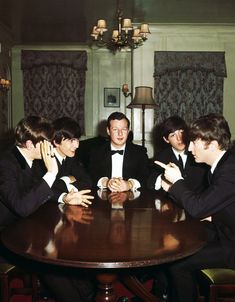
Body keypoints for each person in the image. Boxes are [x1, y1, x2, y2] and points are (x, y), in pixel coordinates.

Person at [155, 114, 235, 302]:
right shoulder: (221, 166)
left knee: (177, 263)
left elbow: (198, 208)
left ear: (213, 145)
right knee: (175, 243)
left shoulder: (230, 171)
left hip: (232, 243)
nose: (189, 148)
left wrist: (177, 182)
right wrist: (213, 217)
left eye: (194, 143)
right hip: (224, 230)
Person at [0, 116, 58, 227]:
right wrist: (51, 173)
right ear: (30, 145)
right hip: (6, 230)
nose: (53, 148)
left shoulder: (34, 160)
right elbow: (21, 208)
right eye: (48, 143)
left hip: (25, 223)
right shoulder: (5, 164)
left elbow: (41, 187)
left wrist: (65, 197)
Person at [88, 111, 150, 192]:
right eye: (115, 129)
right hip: (103, 198)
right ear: (108, 131)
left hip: (132, 199)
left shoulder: (140, 152)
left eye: (124, 129)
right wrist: (106, 182)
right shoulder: (96, 152)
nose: (120, 134)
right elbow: (90, 176)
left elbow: (146, 177)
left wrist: (129, 184)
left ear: (128, 131)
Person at [148, 115, 209, 193]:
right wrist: (163, 177)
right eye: (173, 135)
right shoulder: (161, 156)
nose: (179, 138)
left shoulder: (200, 153)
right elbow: (150, 183)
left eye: (181, 132)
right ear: (166, 139)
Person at [50, 116, 93, 207]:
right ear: (56, 142)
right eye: (71, 140)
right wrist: (69, 179)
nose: (77, 145)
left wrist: (64, 181)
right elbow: (47, 190)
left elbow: (87, 181)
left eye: (77, 140)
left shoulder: (70, 157)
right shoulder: (44, 160)